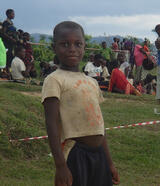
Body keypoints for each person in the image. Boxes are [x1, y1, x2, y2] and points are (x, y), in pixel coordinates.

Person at [41, 21, 119, 186]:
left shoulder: (91, 82)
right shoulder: (54, 80)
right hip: (75, 155)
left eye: (78, 44)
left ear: (84, 48)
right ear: (54, 48)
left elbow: (99, 125)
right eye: (64, 44)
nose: (72, 49)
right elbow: (51, 124)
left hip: (99, 155)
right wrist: (61, 166)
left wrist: (109, 162)